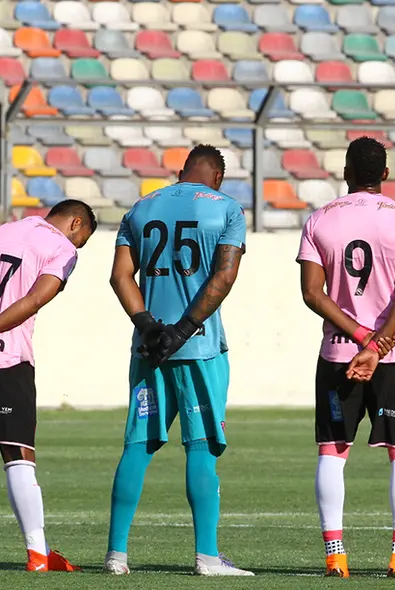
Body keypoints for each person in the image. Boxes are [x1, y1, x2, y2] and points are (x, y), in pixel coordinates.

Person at [297, 137, 395, 580]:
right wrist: (377, 344)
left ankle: (335, 555)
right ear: (385, 174)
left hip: (338, 353)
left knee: (332, 452)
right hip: (394, 356)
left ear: (345, 172)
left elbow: (311, 293)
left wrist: (359, 336)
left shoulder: (319, 220)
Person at [104, 145, 251, 577]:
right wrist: (184, 330)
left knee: (138, 444)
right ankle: (207, 556)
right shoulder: (226, 209)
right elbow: (224, 275)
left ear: (180, 172)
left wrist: (149, 326)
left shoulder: (141, 207)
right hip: (198, 348)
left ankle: (116, 555)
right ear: (218, 178)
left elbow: (119, 275)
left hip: (149, 348)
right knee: (201, 449)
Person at [0, 200, 96, 572]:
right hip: (8, 359)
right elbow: (35, 298)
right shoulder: (60, 247)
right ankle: (38, 553)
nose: (78, 248)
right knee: (18, 455)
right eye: (82, 239)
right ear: (76, 223)